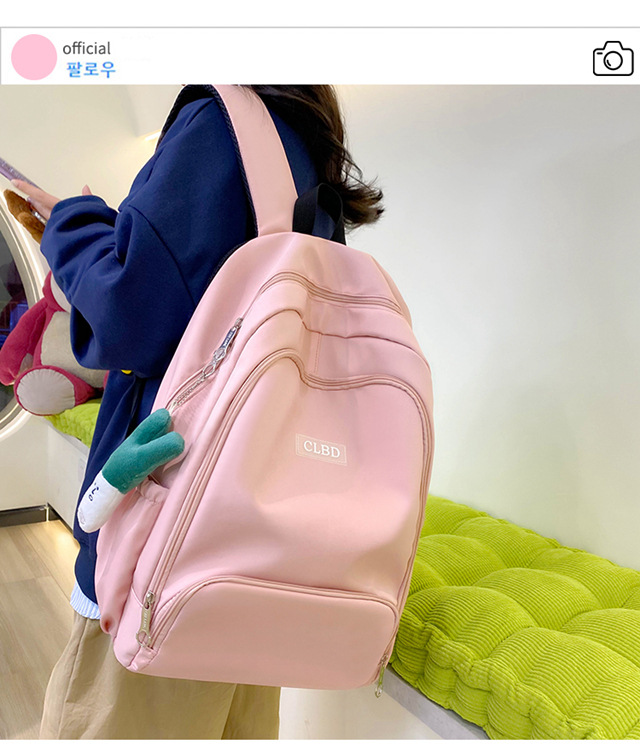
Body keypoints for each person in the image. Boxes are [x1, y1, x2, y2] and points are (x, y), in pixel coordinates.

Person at [14, 84, 384, 740]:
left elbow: (132, 319)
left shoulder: (218, 123)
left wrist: (73, 224)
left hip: (167, 547)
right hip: (261, 544)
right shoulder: (302, 142)